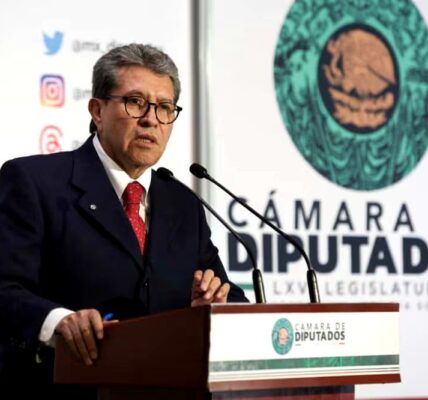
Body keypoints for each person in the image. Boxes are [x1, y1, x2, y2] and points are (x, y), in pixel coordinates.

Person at [0, 43, 247, 396]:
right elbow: (6, 288)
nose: (151, 119)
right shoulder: (35, 182)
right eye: (135, 102)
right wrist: (58, 321)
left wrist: (211, 308)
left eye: (164, 108)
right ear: (97, 111)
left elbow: (228, 296)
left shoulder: (182, 203)